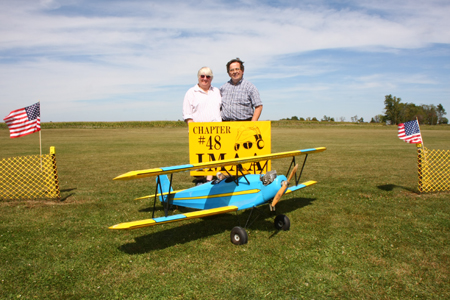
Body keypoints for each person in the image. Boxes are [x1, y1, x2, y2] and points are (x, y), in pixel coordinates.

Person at [182, 66, 221, 184]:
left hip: (216, 130)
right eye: (202, 76)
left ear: (211, 78)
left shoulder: (217, 91)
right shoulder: (191, 92)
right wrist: (193, 129)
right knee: (199, 157)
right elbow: (187, 113)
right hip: (198, 131)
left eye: (208, 76)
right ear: (198, 77)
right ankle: (200, 179)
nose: (205, 79)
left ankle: (209, 179)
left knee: (213, 156)